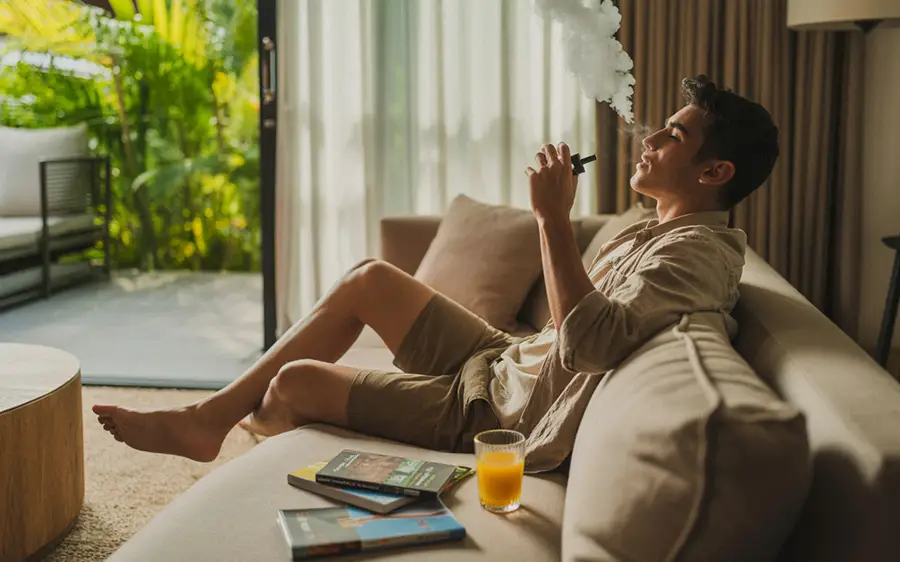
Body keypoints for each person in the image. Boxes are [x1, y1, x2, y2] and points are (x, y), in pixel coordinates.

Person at [93, 75, 779, 472]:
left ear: (715, 172)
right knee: (370, 277)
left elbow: (591, 345)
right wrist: (552, 225)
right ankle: (208, 419)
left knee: (296, 383)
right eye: (660, 127)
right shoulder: (652, 228)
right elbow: (571, 326)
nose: (651, 139)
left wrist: (550, 219)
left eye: (674, 136)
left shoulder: (700, 254)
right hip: (507, 358)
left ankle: (247, 430)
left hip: (501, 413)